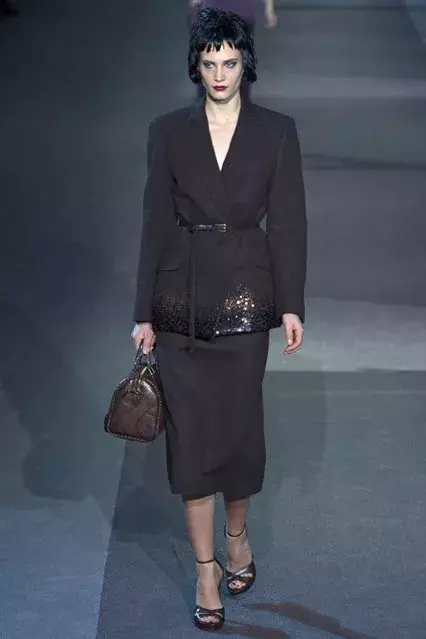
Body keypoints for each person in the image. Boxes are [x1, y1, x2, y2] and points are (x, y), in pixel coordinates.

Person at [133, 8, 307, 632]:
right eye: (209, 64)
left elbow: (288, 223)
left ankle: (237, 536)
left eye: (229, 63)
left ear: (245, 64)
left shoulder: (276, 132)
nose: (219, 74)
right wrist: (143, 312)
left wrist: (291, 303)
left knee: (236, 431)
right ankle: (206, 568)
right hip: (180, 300)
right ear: (196, 67)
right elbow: (154, 221)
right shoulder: (168, 132)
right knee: (191, 438)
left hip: (245, 299)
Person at [189, 0, 277, 100]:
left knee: (209, 56)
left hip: (212, 11)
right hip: (241, 12)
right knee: (240, 58)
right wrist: (269, 10)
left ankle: (206, 100)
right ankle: (241, 102)